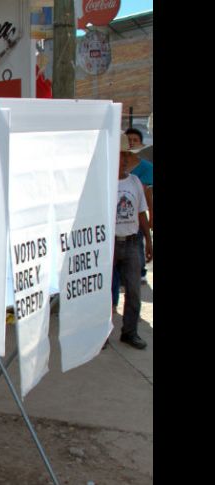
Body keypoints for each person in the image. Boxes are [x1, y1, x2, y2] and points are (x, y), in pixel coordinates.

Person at [111, 134, 153, 350]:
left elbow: (141, 213)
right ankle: (102, 334)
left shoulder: (135, 182)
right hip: (109, 243)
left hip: (131, 242)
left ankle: (130, 332)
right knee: (106, 293)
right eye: (121, 156)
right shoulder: (104, 183)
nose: (125, 160)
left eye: (126, 156)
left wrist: (148, 239)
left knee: (134, 291)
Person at [124, 127, 153, 284]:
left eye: (135, 140)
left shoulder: (147, 168)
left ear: (141, 143)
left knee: (138, 242)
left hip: (138, 214)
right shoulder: (116, 166)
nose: (132, 143)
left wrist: (151, 216)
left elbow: (148, 193)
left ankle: (140, 272)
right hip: (121, 217)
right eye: (129, 140)